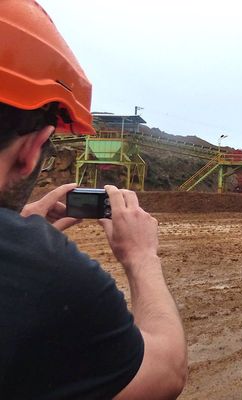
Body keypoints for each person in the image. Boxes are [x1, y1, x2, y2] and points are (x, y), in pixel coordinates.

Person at [0, 1, 187, 399]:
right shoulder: (44, 271)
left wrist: (24, 217)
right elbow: (166, 372)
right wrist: (141, 257)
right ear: (33, 148)